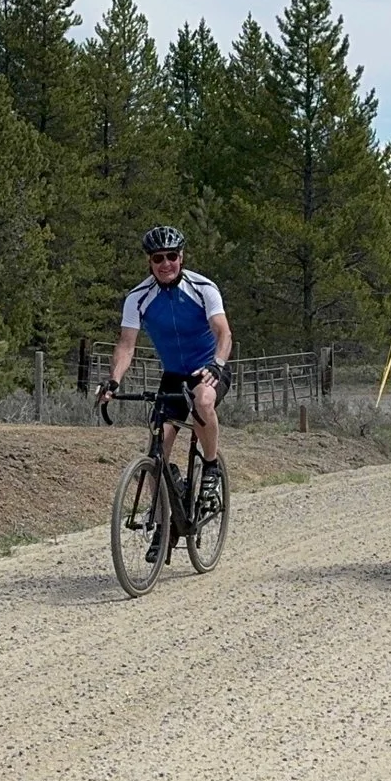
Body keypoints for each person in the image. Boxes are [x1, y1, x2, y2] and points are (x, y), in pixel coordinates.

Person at [98, 226, 234, 560]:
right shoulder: (138, 297)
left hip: (207, 368)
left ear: (181, 257)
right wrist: (113, 382)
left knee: (203, 401)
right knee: (158, 447)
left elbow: (224, 333)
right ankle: (164, 523)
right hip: (173, 375)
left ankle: (212, 468)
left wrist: (216, 364)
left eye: (171, 256)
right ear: (149, 261)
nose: (165, 263)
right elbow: (126, 345)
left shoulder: (203, 288)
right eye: (158, 258)